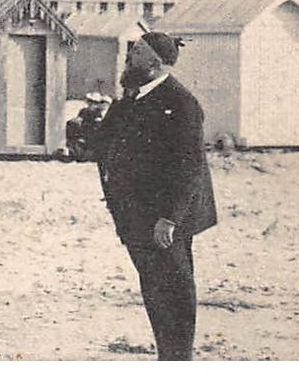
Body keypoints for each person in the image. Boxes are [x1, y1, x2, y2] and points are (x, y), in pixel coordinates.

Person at [88, 29, 218, 360]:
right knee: (154, 286)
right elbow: (103, 144)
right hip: (136, 215)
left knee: (174, 290)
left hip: (166, 220)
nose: (130, 54)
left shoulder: (182, 103)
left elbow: (189, 168)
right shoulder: (132, 97)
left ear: (155, 63)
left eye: (137, 51)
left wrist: (169, 219)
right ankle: (167, 355)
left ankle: (178, 358)